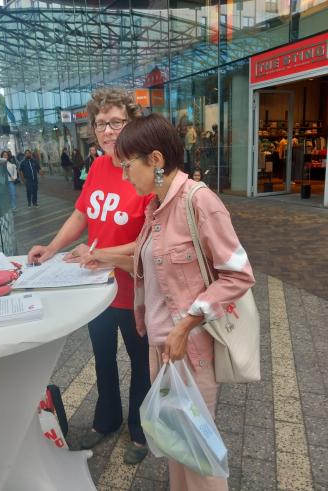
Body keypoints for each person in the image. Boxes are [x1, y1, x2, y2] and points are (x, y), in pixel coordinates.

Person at [82, 113, 255, 490]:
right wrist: (101, 255)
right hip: (164, 349)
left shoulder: (199, 202)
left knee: (199, 456)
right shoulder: (156, 207)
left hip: (189, 349)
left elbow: (239, 274)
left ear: (156, 161)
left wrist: (186, 323)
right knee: (180, 449)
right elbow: (151, 266)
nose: (125, 176)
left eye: (129, 167)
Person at [27, 87, 152, 465]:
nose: (108, 131)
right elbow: (81, 214)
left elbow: (152, 240)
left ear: (131, 124)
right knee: (102, 359)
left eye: (116, 122)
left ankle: (141, 431)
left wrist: (101, 254)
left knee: (142, 362)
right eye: (101, 124)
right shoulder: (97, 166)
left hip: (135, 290)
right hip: (94, 288)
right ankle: (107, 420)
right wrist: (51, 248)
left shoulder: (146, 171)